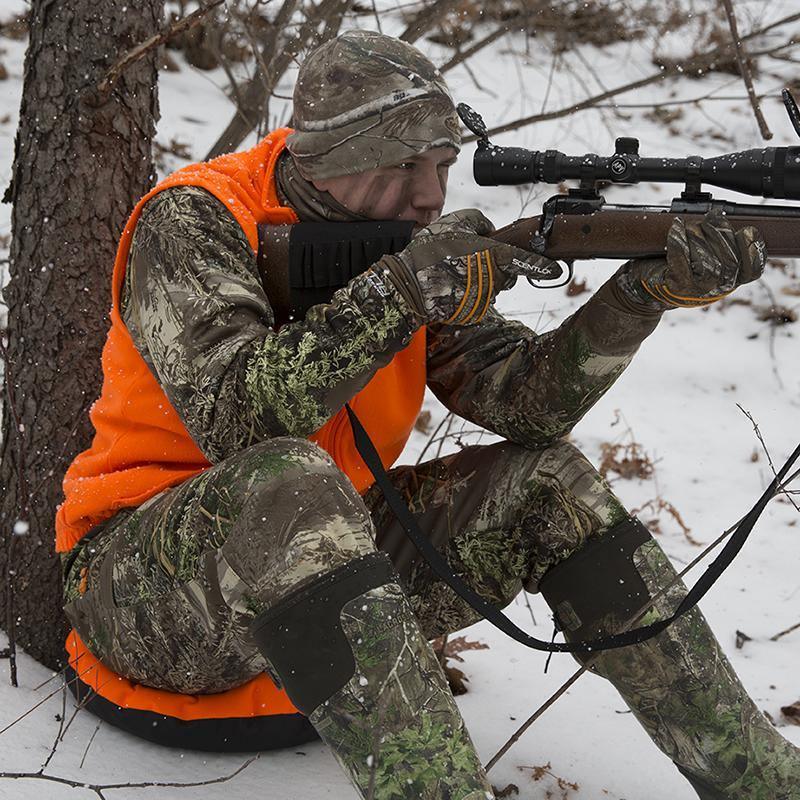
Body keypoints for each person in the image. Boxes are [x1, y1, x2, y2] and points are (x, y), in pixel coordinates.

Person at [56, 29, 798, 800]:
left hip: (317, 602)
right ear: (329, 159)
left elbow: (521, 402)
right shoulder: (195, 221)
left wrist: (637, 299)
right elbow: (238, 419)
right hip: (146, 600)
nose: (429, 195)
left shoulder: (412, 246)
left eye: (441, 165)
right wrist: (403, 293)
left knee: (548, 483)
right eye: (403, 165)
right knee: (287, 478)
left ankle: (758, 779)